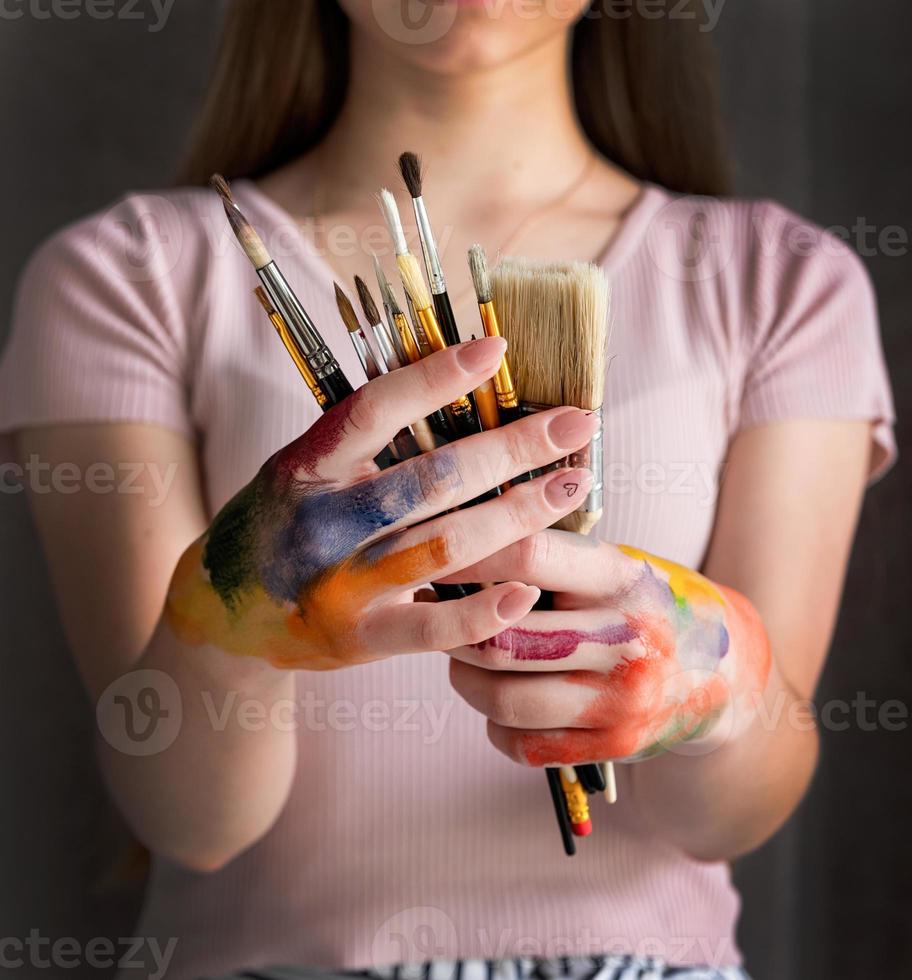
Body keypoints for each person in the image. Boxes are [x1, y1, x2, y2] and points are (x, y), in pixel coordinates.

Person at [0, 2, 896, 979]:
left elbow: (728, 817)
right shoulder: (121, 279)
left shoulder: (789, 283)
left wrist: (712, 676)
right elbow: (192, 822)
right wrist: (227, 624)